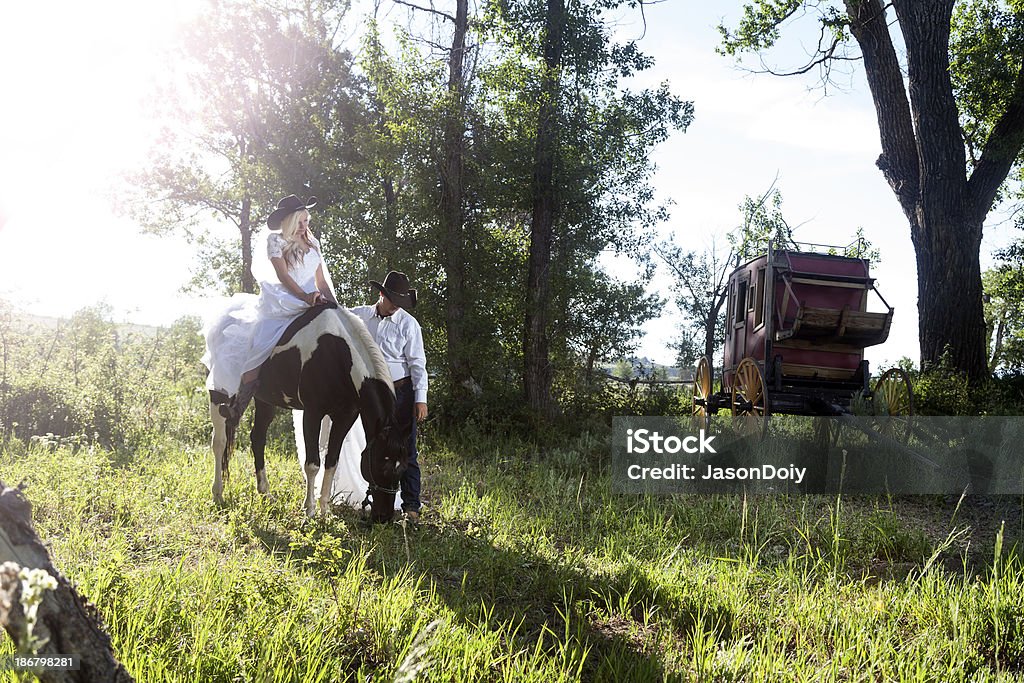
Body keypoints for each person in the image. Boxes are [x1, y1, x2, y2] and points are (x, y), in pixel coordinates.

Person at [202, 195, 337, 421]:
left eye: (306, 221)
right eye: (300, 222)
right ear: (290, 222)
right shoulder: (276, 241)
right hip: (284, 298)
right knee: (262, 340)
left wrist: (334, 304)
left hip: (312, 296)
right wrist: (304, 296)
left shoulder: (314, 243)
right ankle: (239, 405)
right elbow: (283, 276)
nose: (304, 227)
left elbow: (321, 282)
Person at [348, 271, 428, 519]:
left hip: (401, 392)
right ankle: (376, 501)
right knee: (375, 446)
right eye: (393, 300)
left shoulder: (408, 324)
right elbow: (336, 316)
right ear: (381, 294)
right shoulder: (360, 315)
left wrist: (421, 398)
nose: (396, 307)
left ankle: (412, 507)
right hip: (371, 396)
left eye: (401, 302)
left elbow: (417, 364)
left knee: (406, 449)